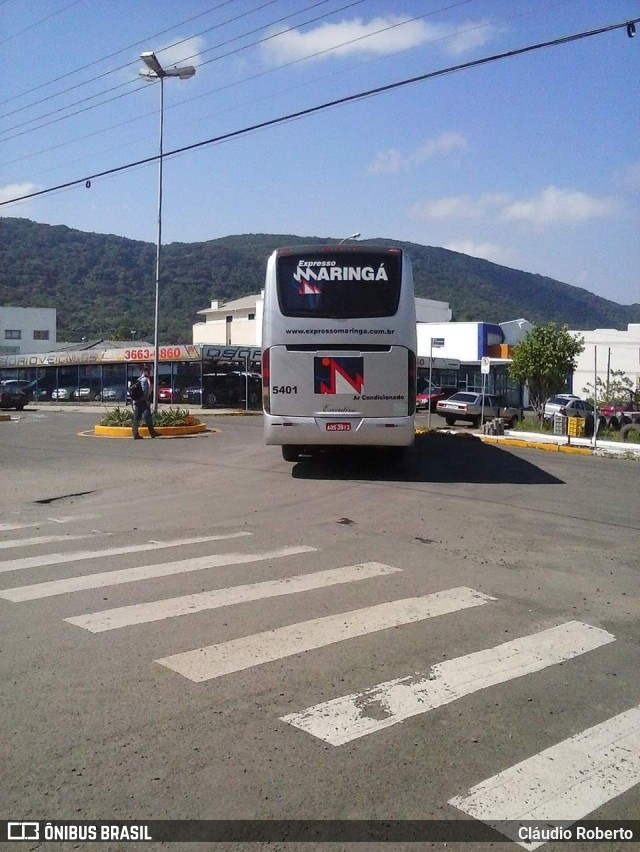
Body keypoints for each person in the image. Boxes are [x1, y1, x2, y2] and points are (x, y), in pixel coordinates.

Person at [131, 366, 158, 440]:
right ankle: (152, 433)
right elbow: (145, 392)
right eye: (149, 371)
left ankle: (135, 434)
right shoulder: (145, 380)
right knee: (147, 417)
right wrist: (147, 401)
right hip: (143, 401)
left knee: (137, 418)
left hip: (137, 401)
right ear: (145, 371)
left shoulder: (139, 379)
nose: (149, 373)